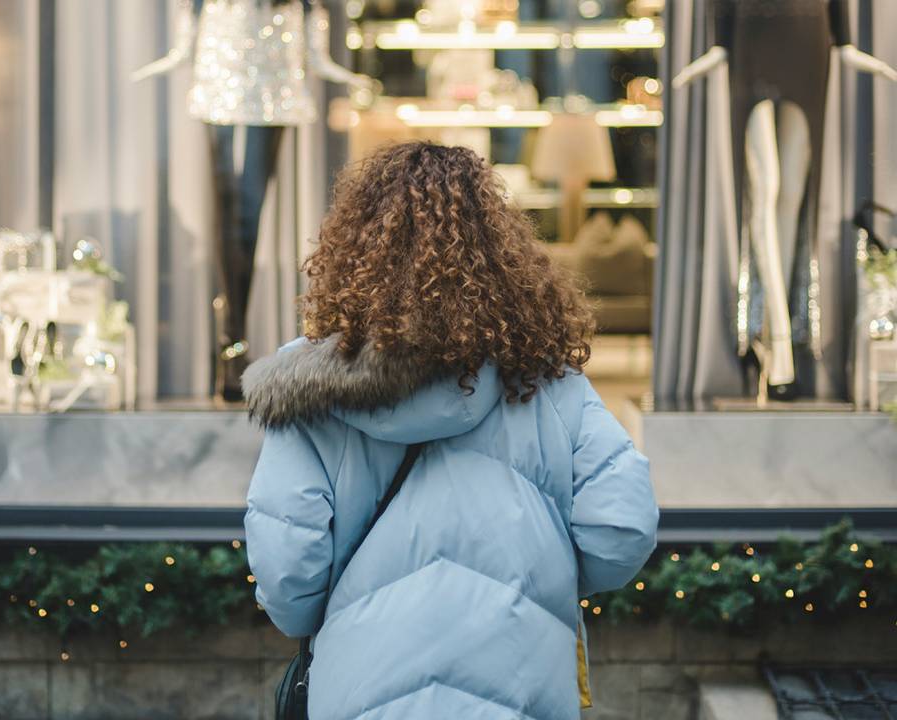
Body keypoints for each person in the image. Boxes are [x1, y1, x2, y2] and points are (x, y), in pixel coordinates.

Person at [241, 141, 659, 720]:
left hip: (364, 688)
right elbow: (621, 528)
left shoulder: (305, 391)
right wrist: (533, 582)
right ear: (499, 250)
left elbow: (288, 570)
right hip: (521, 680)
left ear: (350, 251)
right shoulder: (547, 378)